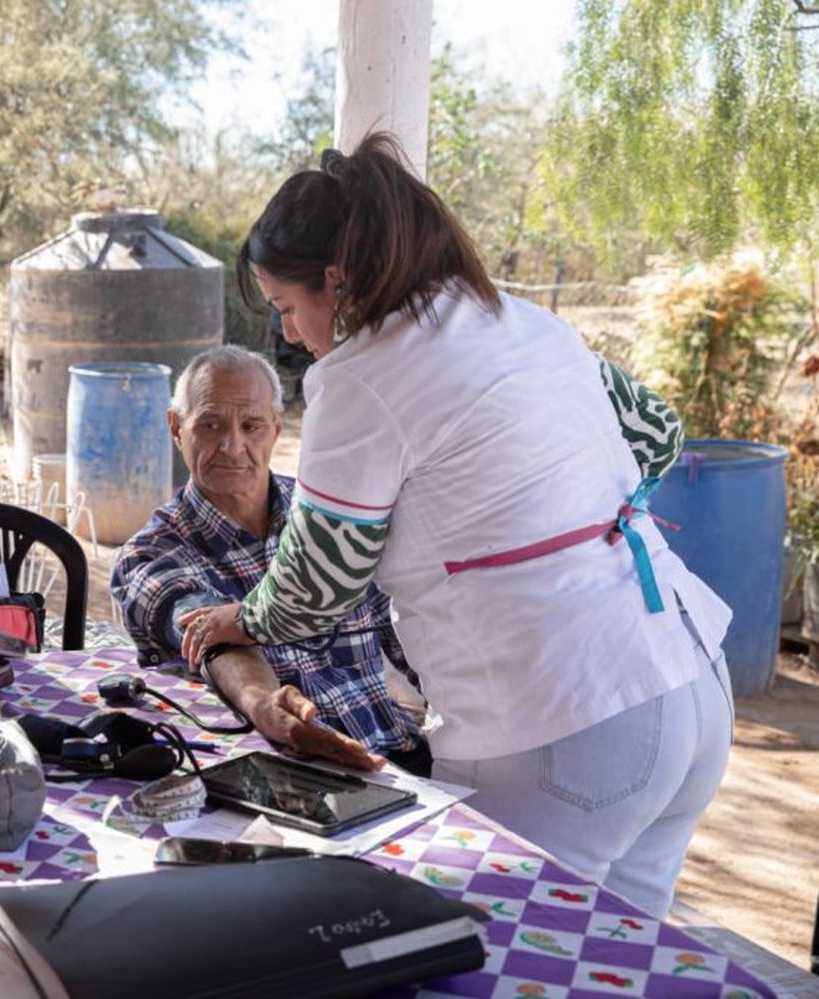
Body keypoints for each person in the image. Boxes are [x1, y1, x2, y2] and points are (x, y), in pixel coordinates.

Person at [182, 134, 733, 918]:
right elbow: (657, 434)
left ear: (335, 282)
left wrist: (240, 615)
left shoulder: (364, 372)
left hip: (564, 719)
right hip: (683, 678)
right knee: (611, 958)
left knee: (474, 953)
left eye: (287, 309)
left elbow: (316, 590)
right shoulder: (517, 317)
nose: (293, 334)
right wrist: (572, 527)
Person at [111, 345, 428, 775]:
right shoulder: (151, 553)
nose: (232, 445)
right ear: (176, 427)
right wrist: (263, 704)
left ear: (277, 429)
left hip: (398, 757)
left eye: (252, 425)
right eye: (210, 424)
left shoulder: (333, 519)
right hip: (282, 778)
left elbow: (410, 632)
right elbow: (209, 633)